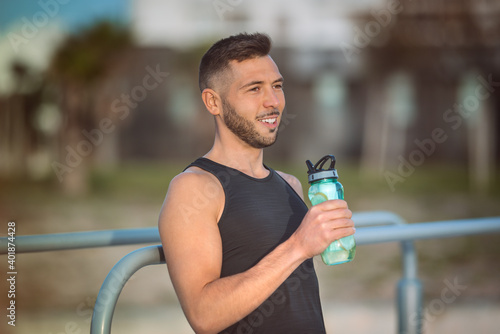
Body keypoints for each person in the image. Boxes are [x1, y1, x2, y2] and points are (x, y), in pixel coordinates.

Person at [158, 32, 355, 334]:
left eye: (277, 86)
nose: (273, 101)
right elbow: (203, 315)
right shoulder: (194, 188)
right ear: (213, 102)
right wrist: (299, 245)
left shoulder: (291, 185)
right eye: (254, 89)